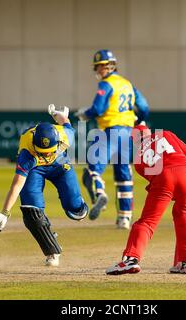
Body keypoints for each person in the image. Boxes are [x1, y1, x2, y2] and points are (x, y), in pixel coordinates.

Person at [0, 105, 89, 267]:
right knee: (31, 212)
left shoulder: (65, 136)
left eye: (49, 151)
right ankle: (51, 249)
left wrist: (58, 115)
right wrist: (5, 213)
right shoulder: (26, 153)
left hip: (60, 166)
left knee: (77, 211)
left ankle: (78, 202)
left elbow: (66, 122)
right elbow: (17, 185)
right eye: (42, 152)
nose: (45, 155)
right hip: (35, 170)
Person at [106, 123, 186, 275]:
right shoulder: (166, 134)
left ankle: (131, 259)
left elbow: (158, 182)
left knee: (147, 221)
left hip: (164, 177)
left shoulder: (138, 160)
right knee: (184, 213)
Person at [75, 49, 149, 230]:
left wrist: (85, 114)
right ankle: (124, 218)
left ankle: (100, 194)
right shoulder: (127, 84)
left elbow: (98, 109)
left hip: (109, 131)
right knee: (124, 175)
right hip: (127, 133)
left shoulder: (106, 85)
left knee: (93, 168)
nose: (100, 70)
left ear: (105, 67)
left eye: (100, 67)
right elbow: (144, 106)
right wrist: (137, 121)